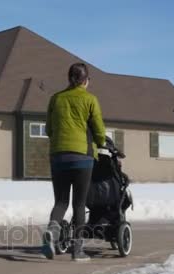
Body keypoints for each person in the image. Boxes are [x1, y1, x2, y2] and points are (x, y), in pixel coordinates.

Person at [42, 63, 106, 261]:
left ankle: (52, 232)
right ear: (86, 80)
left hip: (58, 156)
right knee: (79, 204)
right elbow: (99, 130)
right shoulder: (90, 99)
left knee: (61, 201)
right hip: (82, 158)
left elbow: (49, 129)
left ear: (69, 78)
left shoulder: (56, 98)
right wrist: (101, 142)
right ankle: (77, 251)